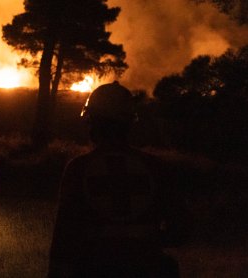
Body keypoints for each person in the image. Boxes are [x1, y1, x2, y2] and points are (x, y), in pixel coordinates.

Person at [48, 81, 179, 277]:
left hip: (93, 268)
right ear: (129, 123)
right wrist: (146, 241)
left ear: (92, 123)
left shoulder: (79, 168)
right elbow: (181, 227)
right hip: (146, 268)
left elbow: (64, 236)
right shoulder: (156, 167)